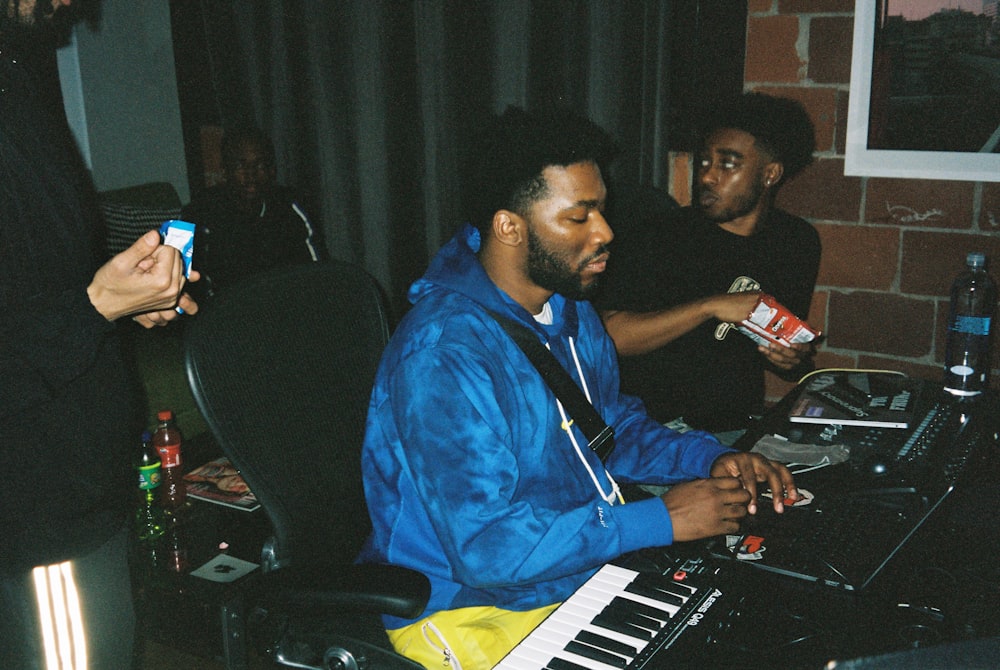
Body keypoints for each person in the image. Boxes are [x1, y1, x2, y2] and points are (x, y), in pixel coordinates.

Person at [357, 106, 798, 668]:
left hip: (570, 570)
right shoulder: (445, 356)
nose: (606, 232)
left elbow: (610, 431)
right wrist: (659, 519)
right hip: (467, 605)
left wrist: (709, 458)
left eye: (602, 210)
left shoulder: (567, 309)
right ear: (509, 226)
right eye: (578, 217)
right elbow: (486, 547)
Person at [0, 1, 200, 667]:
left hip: (83, 484)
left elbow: (31, 281)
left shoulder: (18, 67)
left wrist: (120, 300)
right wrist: (93, 306)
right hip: (39, 511)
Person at [596, 91, 821, 439]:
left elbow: (783, 350)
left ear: (770, 174)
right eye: (704, 162)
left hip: (732, 427)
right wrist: (710, 307)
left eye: (727, 164)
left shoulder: (795, 242)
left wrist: (790, 359)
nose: (707, 177)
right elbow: (610, 336)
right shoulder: (659, 234)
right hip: (648, 429)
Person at [180, 125, 328, 299]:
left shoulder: (292, 208)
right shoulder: (197, 214)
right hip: (221, 314)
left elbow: (320, 274)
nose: (251, 174)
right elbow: (183, 287)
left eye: (260, 165)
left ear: (272, 170)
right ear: (225, 170)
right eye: (240, 165)